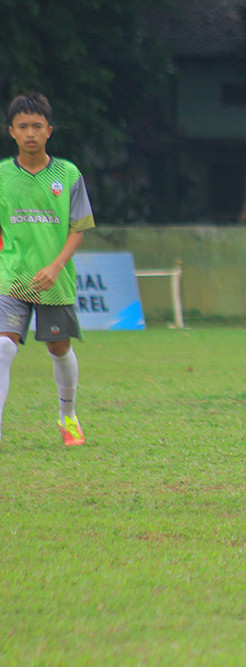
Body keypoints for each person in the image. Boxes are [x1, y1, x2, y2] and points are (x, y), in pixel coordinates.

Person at [0, 92, 94, 446]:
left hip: (54, 280)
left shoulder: (67, 174)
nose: (30, 133)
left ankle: (68, 417)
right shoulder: (2, 176)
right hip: (11, 278)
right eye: (22, 126)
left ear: (49, 131)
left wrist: (56, 266)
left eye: (37, 126)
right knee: (3, 348)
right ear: (11, 131)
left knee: (59, 348)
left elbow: (79, 227)